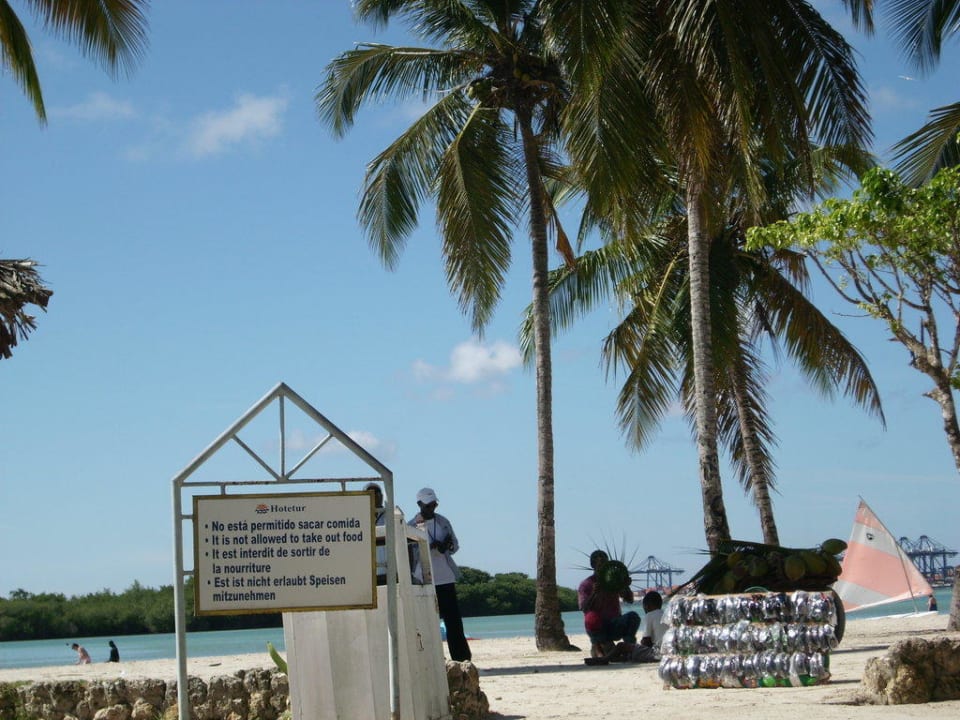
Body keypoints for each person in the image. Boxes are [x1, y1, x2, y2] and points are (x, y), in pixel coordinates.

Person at [409, 487, 471, 662]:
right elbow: (410, 553)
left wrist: (447, 546)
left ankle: (461, 658)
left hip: (445, 578)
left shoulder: (443, 521)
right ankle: (431, 659)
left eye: (434, 504)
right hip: (424, 580)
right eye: (428, 505)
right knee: (427, 622)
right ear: (420, 504)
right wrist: (428, 547)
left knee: (453, 622)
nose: (432, 508)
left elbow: (455, 545)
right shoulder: (411, 526)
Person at [578, 550, 640, 658]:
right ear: (593, 565)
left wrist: (625, 586)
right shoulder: (586, 584)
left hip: (615, 624)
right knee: (591, 617)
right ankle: (598, 647)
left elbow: (629, 599)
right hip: (599, 627)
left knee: (633, 617)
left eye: (604, 562)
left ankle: (629, 647)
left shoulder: (613, 579)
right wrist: (594, 593)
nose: (602, 565)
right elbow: (584, 608)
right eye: (598, 562)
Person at [630, 591, 668, 663]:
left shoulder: (649, 615)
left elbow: (646, 641)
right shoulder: (665, 614)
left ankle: (605, 658)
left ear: (646, 606)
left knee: (621, 646)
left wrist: (641, 643)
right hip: (668, 652)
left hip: (657, 653)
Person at [365, 482, 388, 584]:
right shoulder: (358, 517)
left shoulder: (391, 515)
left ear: (382, 496)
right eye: (371, 492)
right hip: (368, 574)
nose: (375, 495)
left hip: (390, 572)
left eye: (377, 492)